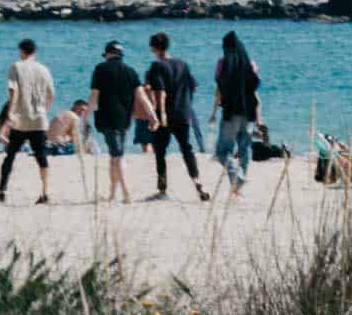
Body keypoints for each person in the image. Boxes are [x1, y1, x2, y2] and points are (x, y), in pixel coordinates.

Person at [146, 32, 210, 202]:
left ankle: (162, 189)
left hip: (165, 114)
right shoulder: (183, 64)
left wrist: (161, 115)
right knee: (186, 149)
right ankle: (198, 183)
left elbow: (160, 92)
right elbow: (193, 86)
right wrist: (186, 102)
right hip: (183, 113)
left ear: (154, 48)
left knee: (160, 151)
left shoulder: (156, 66)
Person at [0, 38, 54, 204]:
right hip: (40, 119)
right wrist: (44, 111)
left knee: (10, 155)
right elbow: (51, 95)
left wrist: (10, 113)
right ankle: (44, 192)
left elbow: (14, 92)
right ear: (34, 51)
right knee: (41, 158)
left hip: (21, 120)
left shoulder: (16, 67)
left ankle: (1, 191)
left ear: (21, 51)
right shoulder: (44, 70)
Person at [87, 40, 140, 204]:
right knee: (114, 156)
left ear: (109, 54)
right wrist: (152, 115)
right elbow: (140, 96)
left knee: (117, 157)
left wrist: (85, 116)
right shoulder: (131, 71)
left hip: (107, 119)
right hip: (124, 119)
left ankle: (126, 193)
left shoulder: (100, 69)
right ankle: (112, 194)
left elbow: (94, 95)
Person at [211, 30, 261, 198]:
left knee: (222, 151)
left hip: (231, 113)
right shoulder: (250, 64)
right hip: (248, 113)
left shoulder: (222, 63)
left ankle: (238, 178)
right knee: (245, 149)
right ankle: (238, 187)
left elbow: (219, 89)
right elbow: (254, 89)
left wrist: (214, 110)